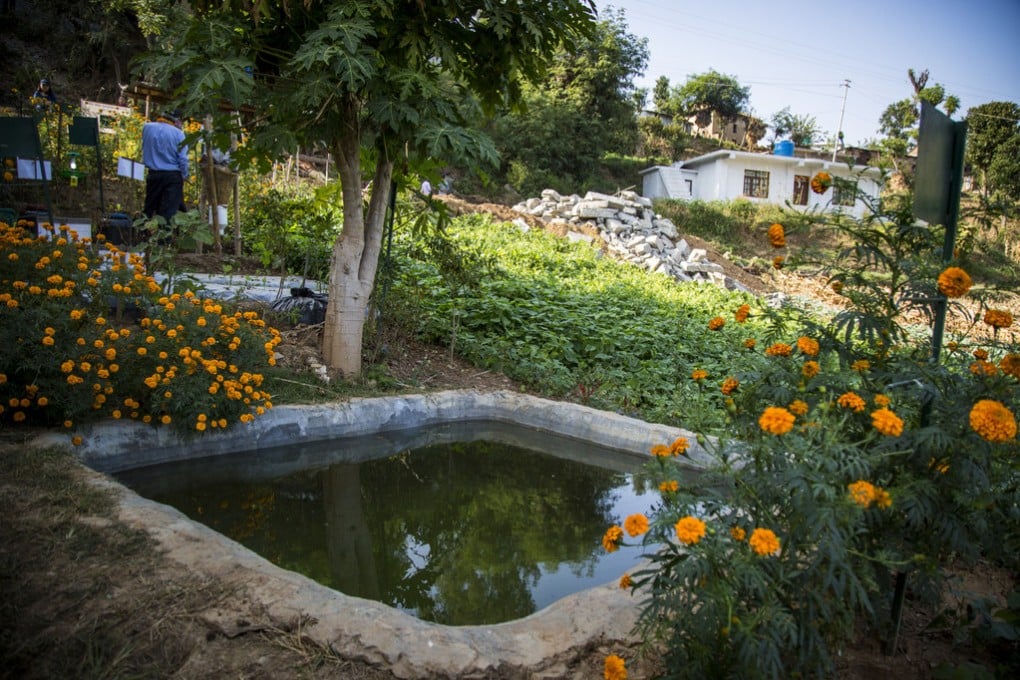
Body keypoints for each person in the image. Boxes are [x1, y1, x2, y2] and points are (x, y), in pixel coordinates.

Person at [141, 110, 189, 224]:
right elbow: (183, 158)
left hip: (153, 174)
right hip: (172, 176)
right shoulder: (178, 134)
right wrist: (185, 175)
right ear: (175, 120)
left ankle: (142, 234)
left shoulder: (147, 128)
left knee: (150, 206)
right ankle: (164, 239)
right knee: (168, 211)